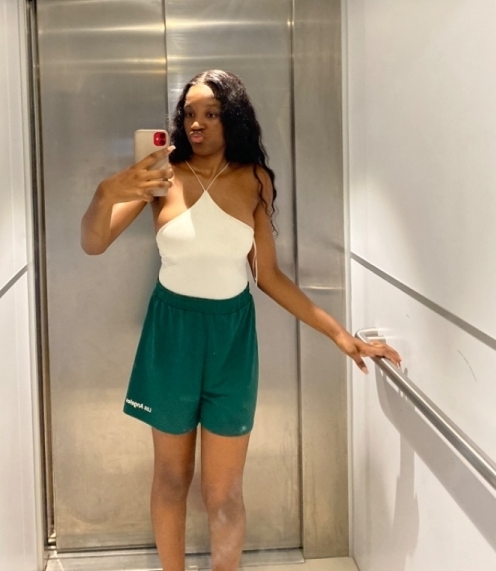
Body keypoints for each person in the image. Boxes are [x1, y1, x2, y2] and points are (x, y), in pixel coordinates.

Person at [81, 69, 401, 571]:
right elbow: (94, 243)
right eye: (189, 113)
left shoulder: (255, 180)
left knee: (224, 492)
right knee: (170, 478)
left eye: (211, 113)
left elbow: (267, 276)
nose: (197, 124)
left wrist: (340, 334)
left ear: (233, 117)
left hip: (232, 339)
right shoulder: (161, 176)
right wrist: (108, 191)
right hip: (171, 336)